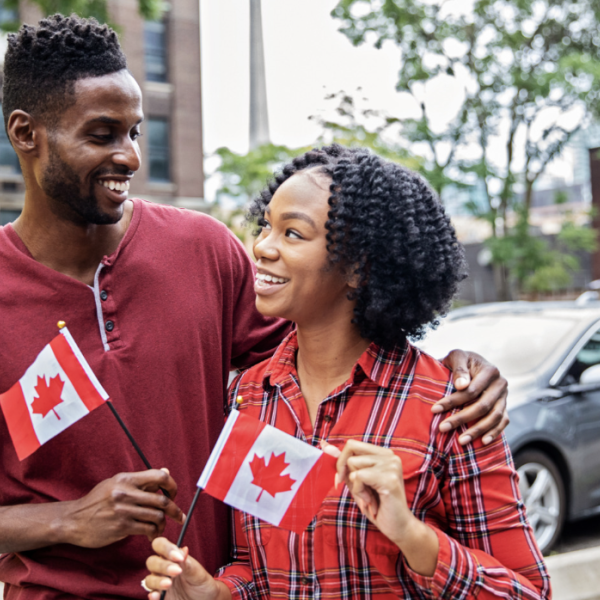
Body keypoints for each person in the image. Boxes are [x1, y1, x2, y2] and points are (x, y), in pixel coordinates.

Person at [0, 15, 507, 600]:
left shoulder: (202, 248)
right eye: (102, 134)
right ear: (25, 133)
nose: (131, 157)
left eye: (135, 132)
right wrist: (69, 519)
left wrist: (454, 370)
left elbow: (327, 355)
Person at [144, 146, 550, 600]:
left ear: (359, 266)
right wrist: (218, 593)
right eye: (265, 227)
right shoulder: (248, 397)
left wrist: (412, 536)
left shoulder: (452, 409)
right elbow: (259, 568)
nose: (261, 247)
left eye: (292, 233)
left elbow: (529, 592)